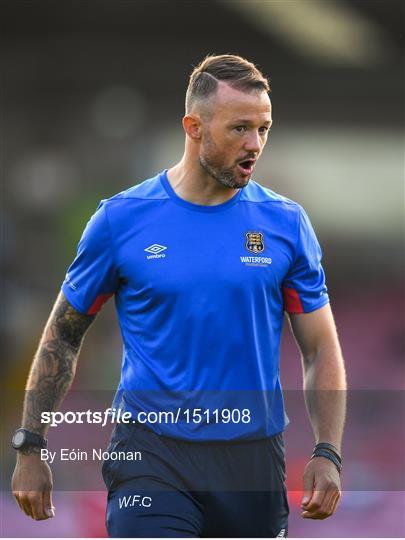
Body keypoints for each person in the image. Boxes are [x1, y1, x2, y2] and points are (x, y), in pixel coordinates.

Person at [12, 54, 346, 537]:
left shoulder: (287, 225)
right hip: (150, 455)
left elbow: (320, 347)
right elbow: (61, 338)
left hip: (253, 460)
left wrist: (327, 450)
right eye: (239, 129)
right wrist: (31, 445)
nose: (254, 145)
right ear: (193, 127)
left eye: (263, 129)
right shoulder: (120, 220)